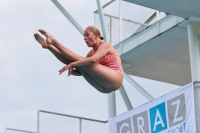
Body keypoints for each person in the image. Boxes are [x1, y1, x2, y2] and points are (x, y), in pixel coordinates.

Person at [34, 26, 123, 93]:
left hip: (115, 78)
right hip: (104, 88)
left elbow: (93, 60)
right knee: (79, 63)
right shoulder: (90, 53)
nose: (84, 38)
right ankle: (49, 46)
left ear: (96, 35)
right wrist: (72, 71)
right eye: (84, 36)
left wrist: (73, 64)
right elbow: (80, 72)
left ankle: (54, 41)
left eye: (87, 35)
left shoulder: (106, 45)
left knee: (78, 61)